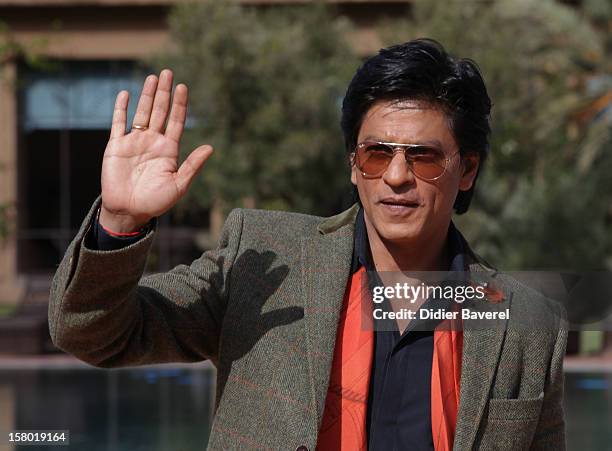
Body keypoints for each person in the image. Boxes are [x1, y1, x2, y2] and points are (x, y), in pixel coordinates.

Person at [49, 39, 567, 450]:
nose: (397, 176)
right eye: (376, 154)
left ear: (467, 169)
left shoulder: (527, 323)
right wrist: (119, 220)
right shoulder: (264, 260)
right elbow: (93, 334)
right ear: (353, 165)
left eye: (425, 158)